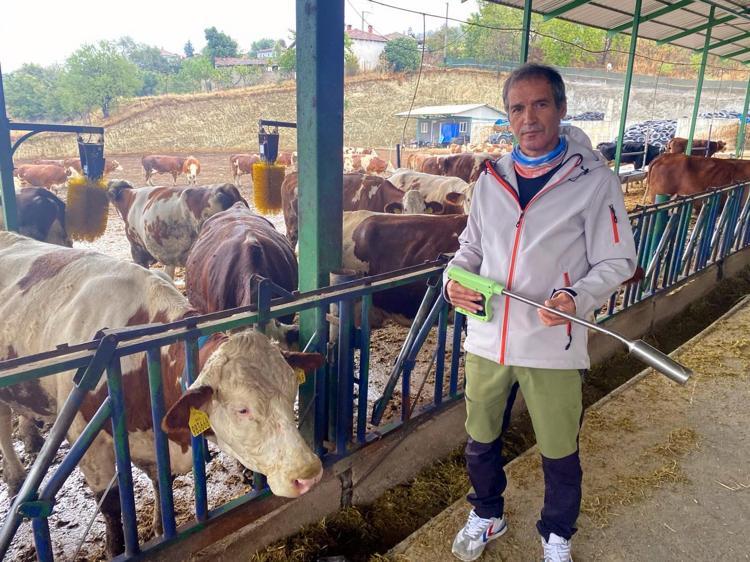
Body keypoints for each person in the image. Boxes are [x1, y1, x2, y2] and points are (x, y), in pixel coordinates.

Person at [445, 63, 637, 562]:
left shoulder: (594, 181)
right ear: (507, 116)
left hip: (552, 342)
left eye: (540, 104)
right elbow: (470, 248)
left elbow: (618, 260)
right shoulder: (490, 179)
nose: (528, 118)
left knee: (559, 449)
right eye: (517, 108)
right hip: (488, 338)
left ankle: (556, 535)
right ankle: (487, 513)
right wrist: (453, 281)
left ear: (561, 108)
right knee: (480, 439)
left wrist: (577, 298)